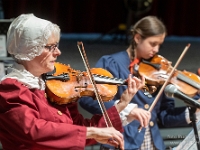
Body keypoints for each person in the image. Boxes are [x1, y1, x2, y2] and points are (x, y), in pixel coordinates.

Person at [0, 13, 146, 150]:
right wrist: (90, 132)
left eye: (56, 46)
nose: (58, 52)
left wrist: (122, 105)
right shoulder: (12, 88)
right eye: (51, 47)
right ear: (29, 49)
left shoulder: (53, 87)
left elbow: (77, 129)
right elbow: (34, 131)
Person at [79, 16, 200, 150]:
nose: (156, 50)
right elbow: (87, 99)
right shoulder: (112, 63)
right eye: (153, 44)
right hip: (121, 143)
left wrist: (195, 110)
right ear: (137, 38)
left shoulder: (158, 73)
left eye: (159, 45)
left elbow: (166, 117)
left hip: (152, 145)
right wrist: (126, 109)